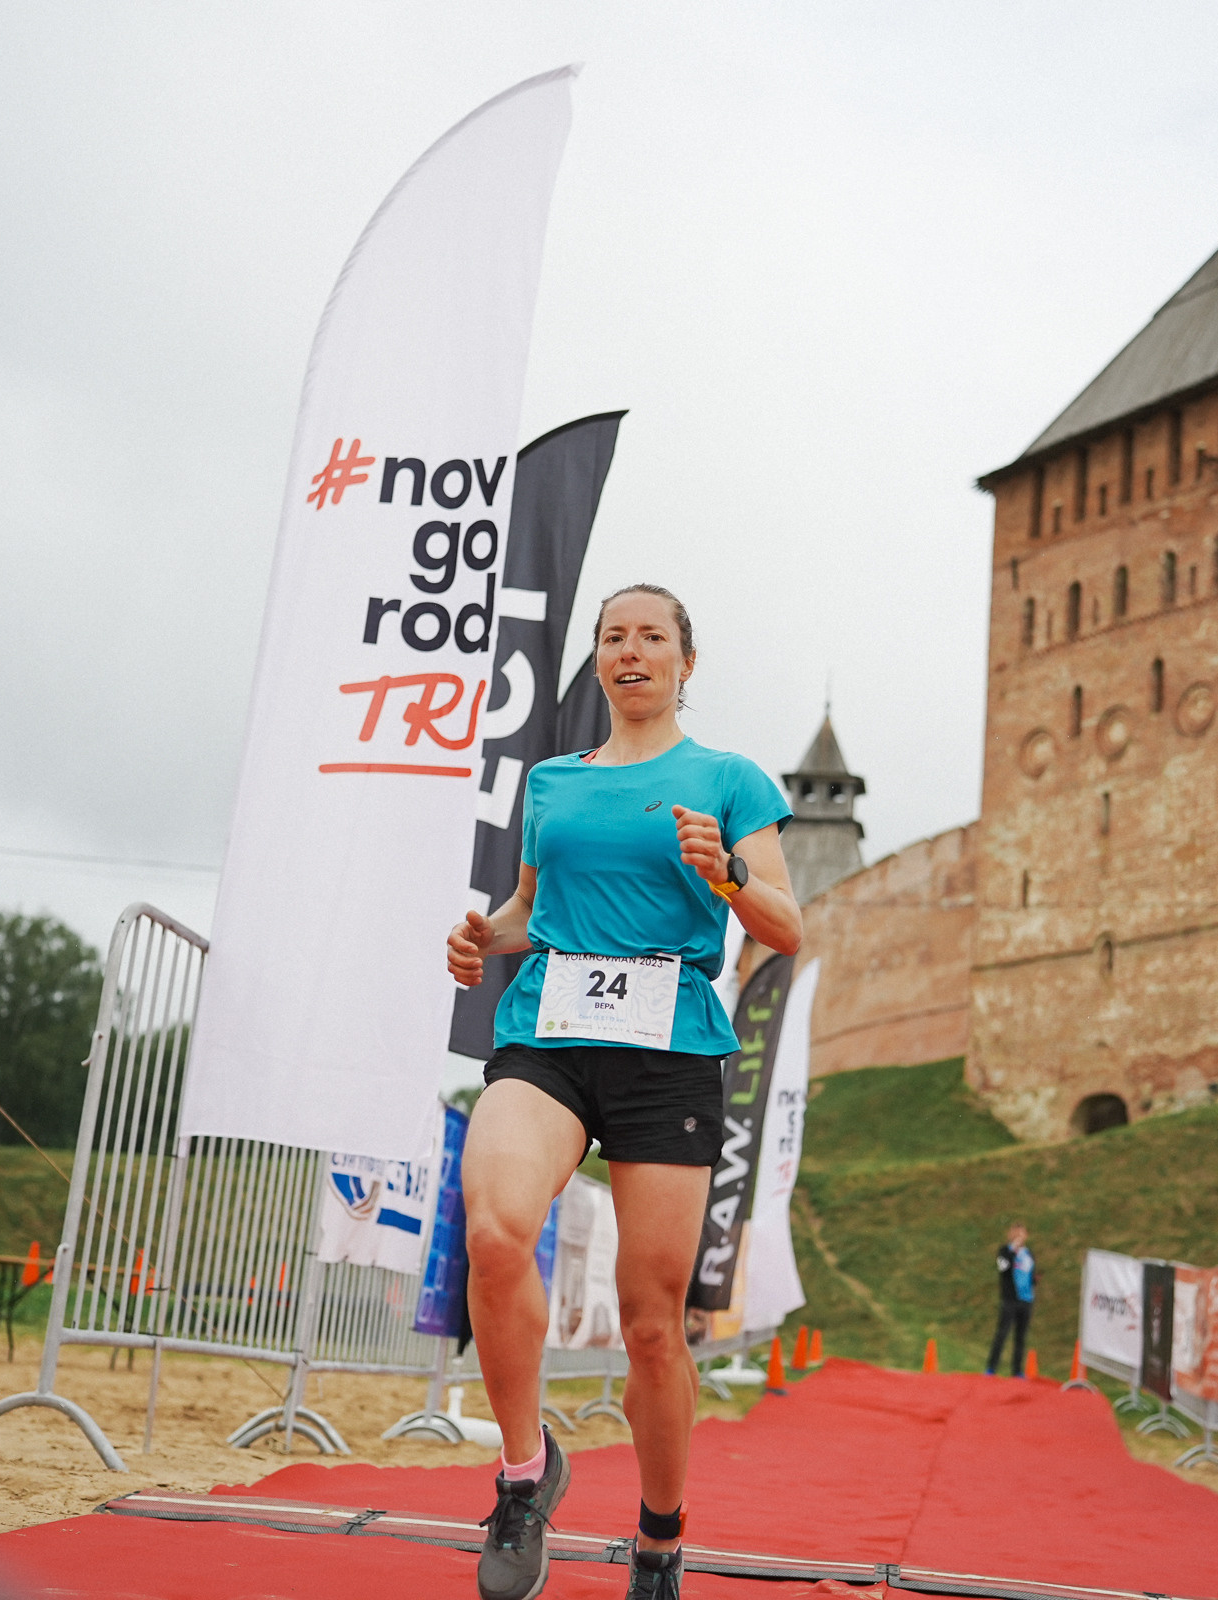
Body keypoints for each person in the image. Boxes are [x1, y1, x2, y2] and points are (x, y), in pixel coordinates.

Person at [446, 584, 802, 1600]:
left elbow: (788, 926)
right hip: (549, 1036)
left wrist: (727, 870)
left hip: (667, 1049)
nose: (630, 652)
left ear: (688, 661)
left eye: (652, 637)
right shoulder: (553, 782)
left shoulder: (728, 778)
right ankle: (524, 1477)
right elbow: (528, 906)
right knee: (494, 1230)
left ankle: (659, 1536)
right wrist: (484, 936)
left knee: (653, 1323)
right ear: (597, 660)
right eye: (613, 637)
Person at [987, 1222, 1034, 1377]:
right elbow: (1003, 1269)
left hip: (1025, 1300)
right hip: (1010, 1300)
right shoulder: (1004, 1252)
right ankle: (991, 1368)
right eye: (1016, 1234)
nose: (1019, 1237)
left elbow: (1028, 1275)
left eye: (1022, 1234)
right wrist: (1013, 1250)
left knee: (1020, 1337)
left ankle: (1017, 1370)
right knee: (1002, 1333)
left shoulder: (1029, 1254)